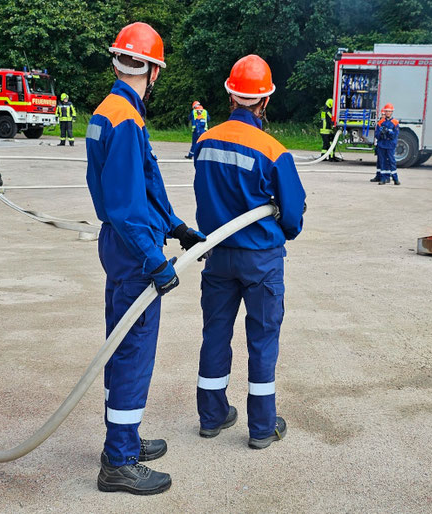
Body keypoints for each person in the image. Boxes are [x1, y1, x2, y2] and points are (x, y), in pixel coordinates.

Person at [85, 21, 205, 496]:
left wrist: (174, 225)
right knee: (133, 351)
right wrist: (154, 257)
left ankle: (125, 437)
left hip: (121, 243)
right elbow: (126, 202)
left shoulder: (110, 111)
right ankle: (119, 461)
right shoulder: (126, 120)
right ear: (152, 70)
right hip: (133, 249)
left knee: (121, 344)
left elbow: (145, 183)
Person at [192, 55, 306, 451]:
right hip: (260, 259)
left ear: (230, 95)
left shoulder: (204, 141)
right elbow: (293, 214)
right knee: (262, 340)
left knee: (215, 335)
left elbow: (203, 195)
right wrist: (283, 227)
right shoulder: (274, 150)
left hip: (217, 254)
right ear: (265, 102)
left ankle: (211, 416)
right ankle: (261, 427)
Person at [373, 103, 400, 185]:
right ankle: (383, 178)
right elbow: (376, 134)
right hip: (382, 144)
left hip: (390, 144)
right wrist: (381, 133)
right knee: (382, 161)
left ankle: (395, 178)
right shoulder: (380, 122)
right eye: (386, 111)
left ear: (392, 112)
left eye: (389, 111)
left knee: (392, 161)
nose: (388, 113)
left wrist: (389, 132)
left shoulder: (395, 122)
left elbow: (395, 135)